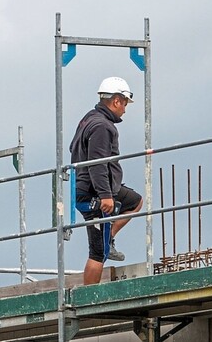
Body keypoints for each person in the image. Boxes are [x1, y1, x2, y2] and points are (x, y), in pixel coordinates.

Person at [69, 77, 143, 285]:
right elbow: (97, 163)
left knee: (134, 202)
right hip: (94, 193)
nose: (125, 110)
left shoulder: (89, 119)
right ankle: (88, 299)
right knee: (97, 252)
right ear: (117, 101)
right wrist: (105, 196)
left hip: (89, 187)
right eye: (125, 104)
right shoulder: (102, 126)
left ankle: (108, 237)